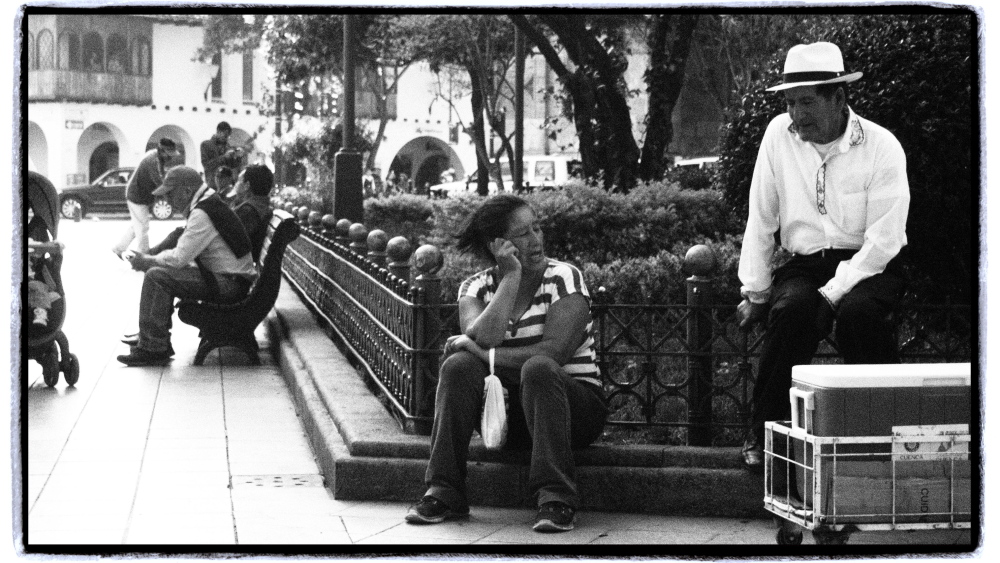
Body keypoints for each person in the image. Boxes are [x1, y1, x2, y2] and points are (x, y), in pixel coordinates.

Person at [736, 42, 910, 469]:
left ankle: (883, 436)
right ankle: (767, 435)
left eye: (807, 102)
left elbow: (884, 241)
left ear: (839, 97)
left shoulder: (882, 146)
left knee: (859, 316)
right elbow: (761, 215)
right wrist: (756, 291)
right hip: (806, 262)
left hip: (870, 263)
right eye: (790, 103)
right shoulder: (778, 135)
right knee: (791, 311)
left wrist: (833, 294)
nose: (797, 114)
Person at [405, 194, 608, 533]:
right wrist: (511, 277)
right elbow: (484, 335)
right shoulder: (475, 287)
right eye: (523, 233)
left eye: (537, 228)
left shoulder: (564, 278)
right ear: (497, 244)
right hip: (505, 419)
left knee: (538, 368)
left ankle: (557, 497)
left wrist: (486, 356)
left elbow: (554, 353)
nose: (536, 239)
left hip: (573, 412)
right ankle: (444, 490)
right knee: (458, 367)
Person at [117, 166, 257, 367]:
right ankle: (151, 338)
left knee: (157, 276)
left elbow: (179, 258)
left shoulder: (202, 212)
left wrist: (148, 260)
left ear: (186, 191)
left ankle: (153, 347)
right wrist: (154, 259)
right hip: (231, 279)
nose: (167, 200)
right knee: (160, 271)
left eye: (170, 193)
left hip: (229, 284)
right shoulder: (208, 203)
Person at [112, 137, 179, 257]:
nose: (171, 158)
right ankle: (144, 255)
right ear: (162, 151)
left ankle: (118, 248)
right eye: (169, 154)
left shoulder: (156, 156)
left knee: (137, 226)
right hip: (137, 196)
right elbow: (160, 183)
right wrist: (172, 198)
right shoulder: (152, 161)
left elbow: (161, 178)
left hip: (139, 195)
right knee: (143, 227)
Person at [230, 164, 274, 262]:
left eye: (239, 181)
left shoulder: (248, 211)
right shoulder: (260, 206)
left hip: (238, 265)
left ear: (247, 185)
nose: (235, 185)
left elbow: (230, 243)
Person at [201, 121, 242, 191]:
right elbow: (207, 165)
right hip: (212, 184)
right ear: (218, 132)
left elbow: (232, 166)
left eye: (228, 136)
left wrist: (238, 157)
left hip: (227, 185)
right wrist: (224, 157)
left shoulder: (228, 146)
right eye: (225, 135)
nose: (226, 138)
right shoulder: (206, 145)